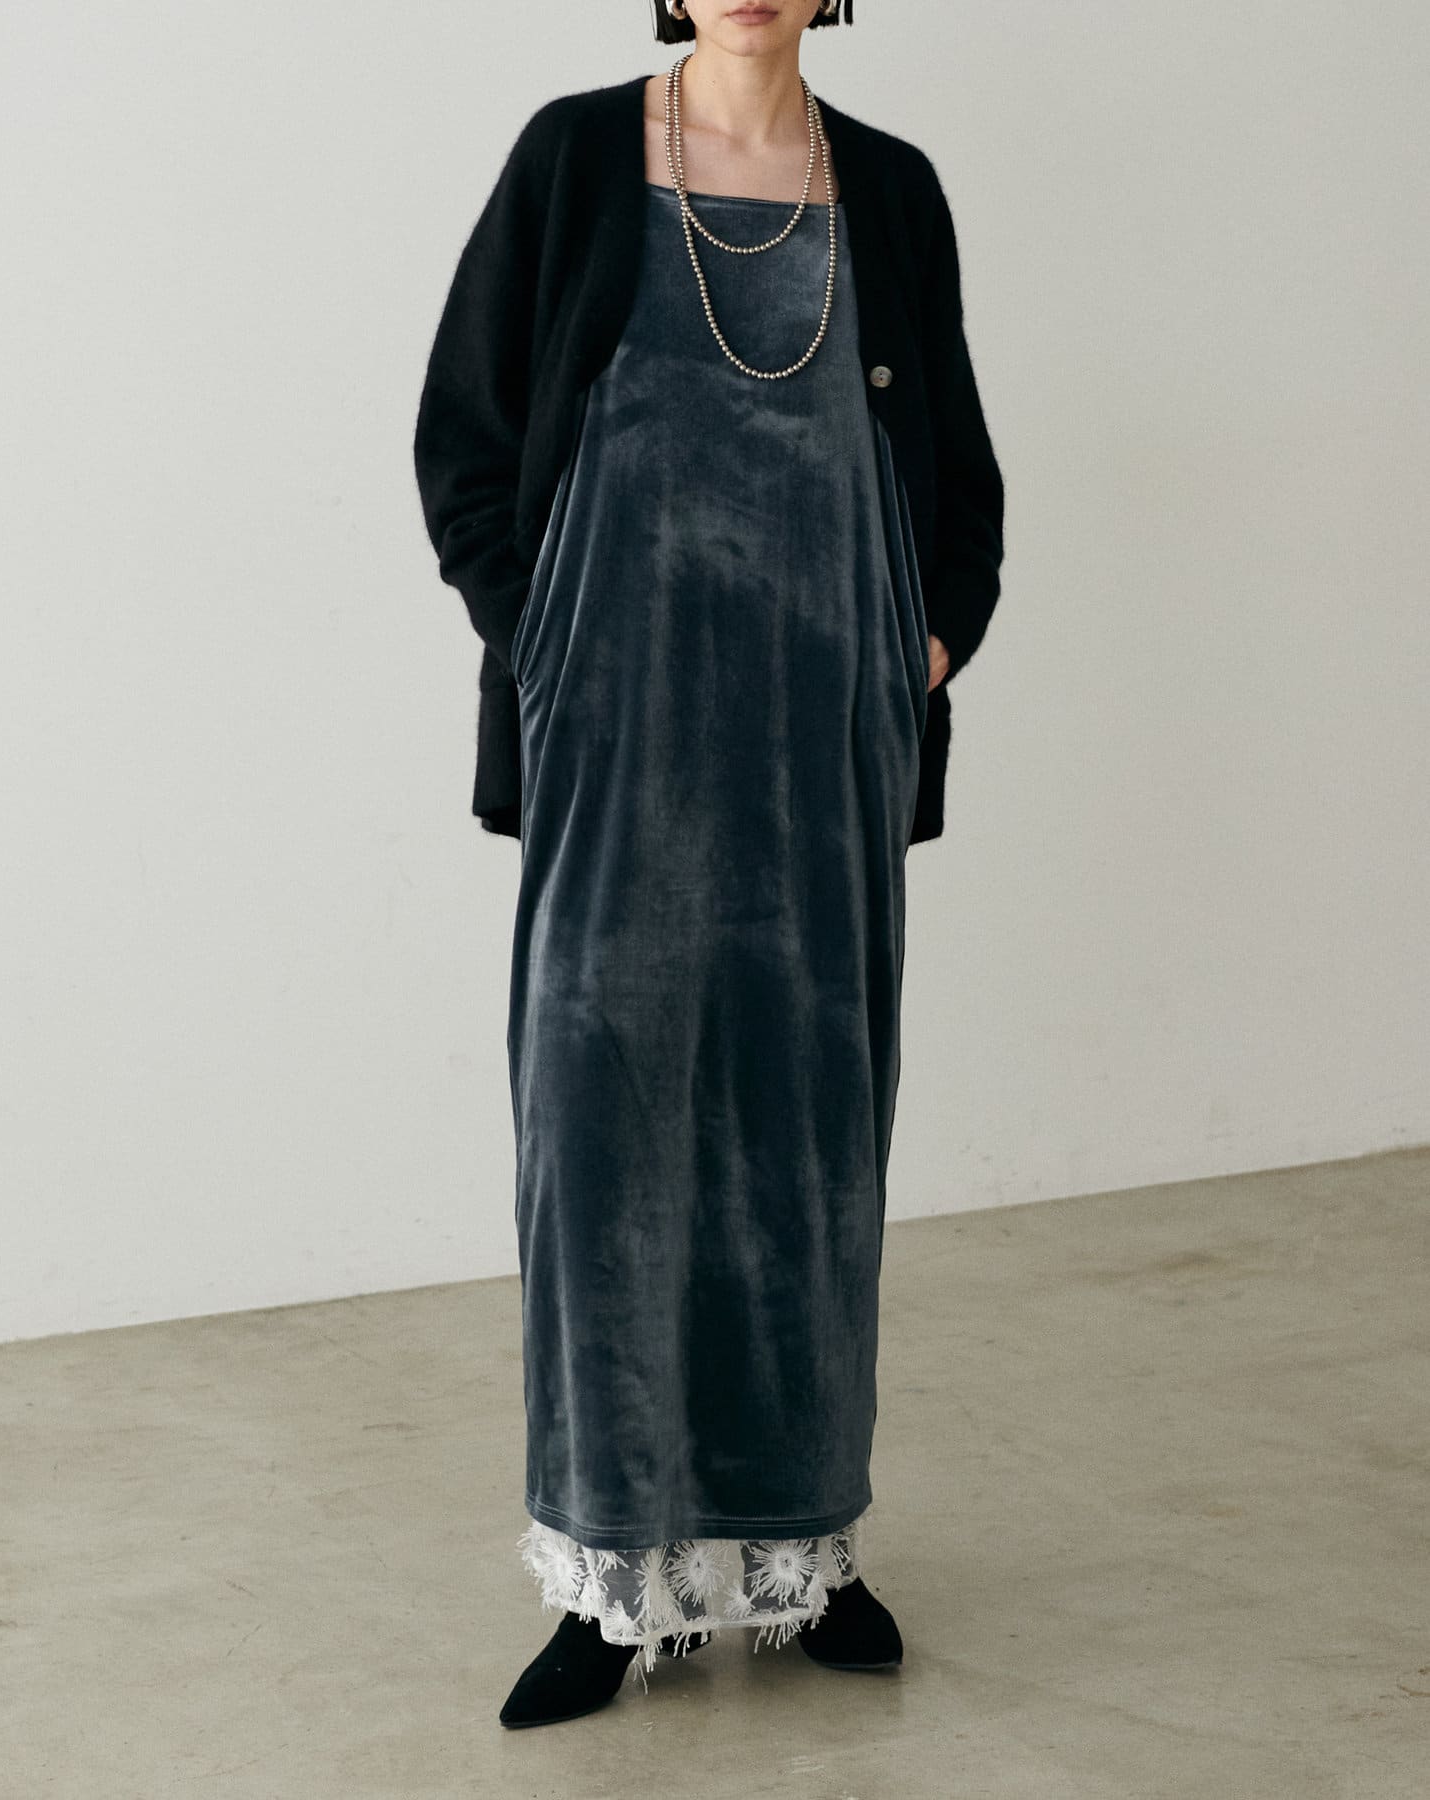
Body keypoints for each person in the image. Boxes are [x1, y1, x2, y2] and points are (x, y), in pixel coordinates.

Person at [413, 0, 1004, 1730]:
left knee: (809, 1132)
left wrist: (927, 643)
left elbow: (955, 459)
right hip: (620, 719)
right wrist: (542, 644)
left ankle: (803, 1545)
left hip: (823, 734)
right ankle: (613, 1576)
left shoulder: (890, 186)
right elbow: (465, 433)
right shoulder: (573, 159)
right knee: (601, 1133)